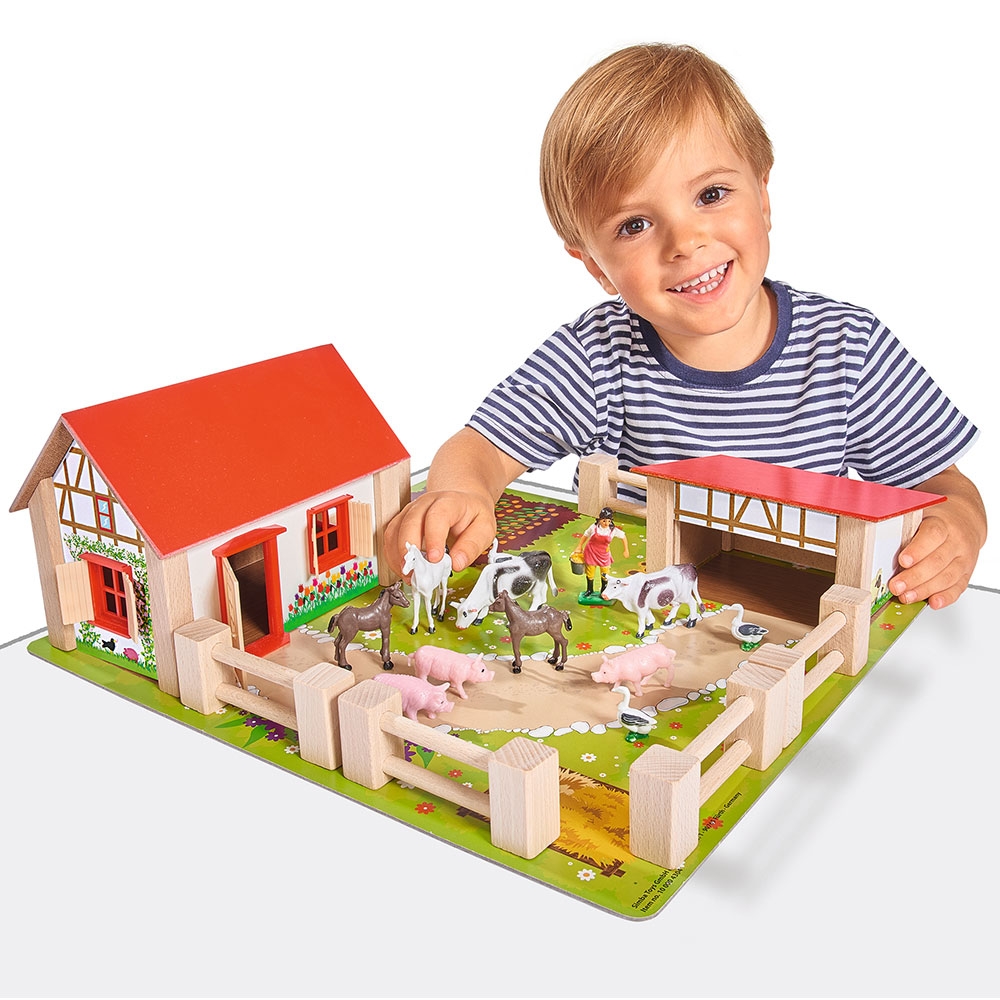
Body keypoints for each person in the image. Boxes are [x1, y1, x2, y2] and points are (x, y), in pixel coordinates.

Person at [385, 43, 986, 610]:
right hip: (641, 620)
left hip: (796, 610)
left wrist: (959, 526)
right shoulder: (597, 356)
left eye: (711, 194)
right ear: (595, 266)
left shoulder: (848, 349)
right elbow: (480, 448)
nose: (685, 241)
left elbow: (945, 487)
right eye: (634, 225)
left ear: (764, 195)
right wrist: (461, 493)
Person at [572, 507, 629, 602]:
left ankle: (604, 590)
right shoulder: (594, 527)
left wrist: (626, 550)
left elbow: (623, 536)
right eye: (604, 521)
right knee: (590, 572)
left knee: (605, 573)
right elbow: (585, 535)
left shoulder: (613, 530)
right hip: (591, 552)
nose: (606, 523)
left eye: (609, 521)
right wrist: (579, 546)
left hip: (604, 555)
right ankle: (589, 589)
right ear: (599, 519)